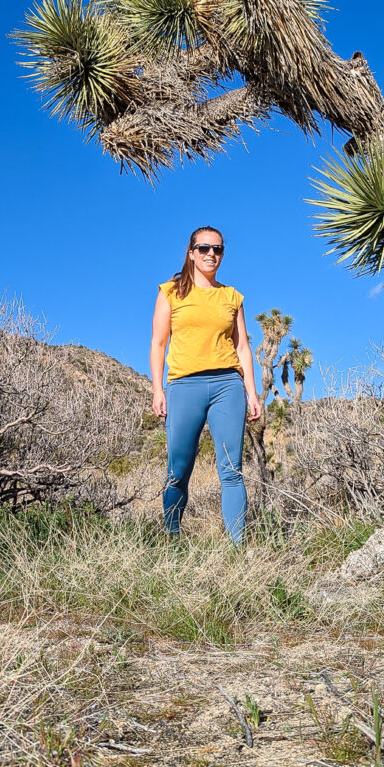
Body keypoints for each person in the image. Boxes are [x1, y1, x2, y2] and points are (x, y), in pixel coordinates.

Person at [150, 226, 262, 542]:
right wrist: (158, 389)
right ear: (191, 252)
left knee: (232, 470)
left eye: (218, 249)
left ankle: (238, 550)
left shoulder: (231, 296)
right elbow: (159, 343)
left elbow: (242, 347)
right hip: (184, 386)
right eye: (204, 248)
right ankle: (171, 541)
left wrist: (252, 393)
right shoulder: (170, 291)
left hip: (228, 385)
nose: (211, 254)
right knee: (178, 470)